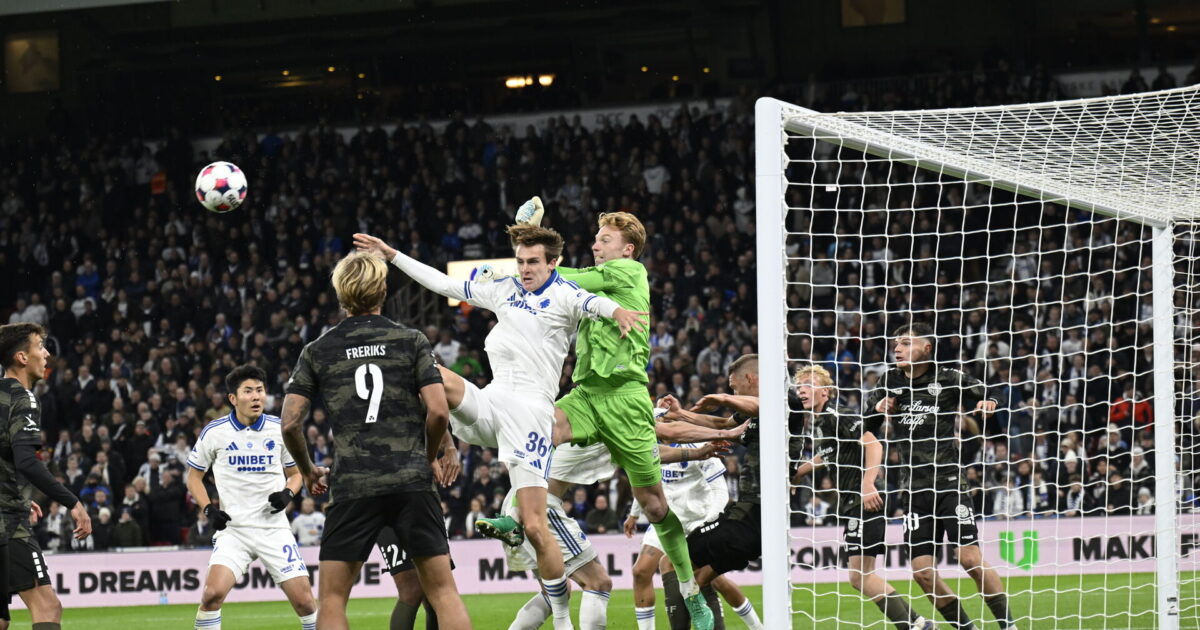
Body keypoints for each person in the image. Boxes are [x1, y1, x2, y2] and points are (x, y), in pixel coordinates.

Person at [353, 224, 646, 630]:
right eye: (521, 261)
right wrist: (392, 255)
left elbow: (596, 304)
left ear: (553, 263)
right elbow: (445, 285)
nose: (525, 269)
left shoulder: (565, 293)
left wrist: (619, 312)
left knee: (534, 525)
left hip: (531, 417)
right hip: (492, 403)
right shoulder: (505, 289)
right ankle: (429, 449)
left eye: (533, 263)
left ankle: (561, 619)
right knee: (431, 373)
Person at [483, 201, 716, 630]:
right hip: (588, 394)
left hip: (626, 399)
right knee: (540, 428)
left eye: (604, 239)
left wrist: (532, 243)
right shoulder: (588, 292)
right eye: (595, 239)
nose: (595, 244)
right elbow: (549, 287)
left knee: (653, 504)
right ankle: (515, 517)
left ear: (628, 249)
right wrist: (528, 249)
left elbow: (558, 276)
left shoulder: (631, 273)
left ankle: (691, 592)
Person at [281, 252, 470, 630]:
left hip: (352, 485)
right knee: (443, 592)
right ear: (383, 290)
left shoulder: (318, 350)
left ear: (340, 294)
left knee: (333, 599)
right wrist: (427, 455)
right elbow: (437, 412)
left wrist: (308, 471)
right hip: (412, 482)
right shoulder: (410, 340)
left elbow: (289, 423)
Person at [865, 323, 1015, 630]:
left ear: (927, 349)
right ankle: (967, 628)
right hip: (913, 491)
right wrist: (878, 408)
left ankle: (1007, 626)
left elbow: (994, 390)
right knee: (922, 573)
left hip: (949, 484)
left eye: (906, 343)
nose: (897, 349)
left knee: (969, 559)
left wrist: (991, 402)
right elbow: (868, 426)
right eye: (896, 344)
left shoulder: (948, 377)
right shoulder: (890, 380)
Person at [507, 441, 728, 630]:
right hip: (540, 504)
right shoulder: (610, 418)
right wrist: (709, 441)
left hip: (517, 502)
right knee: (598, 583)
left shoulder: (563, 417)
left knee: (554, 592)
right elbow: (652, 447)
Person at [792, 364, 934, 630]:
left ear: (826, 391)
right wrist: (801, 471)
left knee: (860, 577)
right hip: (854, 503)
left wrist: (868, 484)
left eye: (809, 384)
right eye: (799, 386)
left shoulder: (839, 415)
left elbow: (873, 444)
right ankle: (919, 624)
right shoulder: (821, 422)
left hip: (864, 500)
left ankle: (915, 626)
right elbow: (830, 453)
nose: (802, 390)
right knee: (862, 576)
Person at [185, 365, 317, 630]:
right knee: (211, 596)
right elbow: (193, 477)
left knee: (304, 602)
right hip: (234, 530)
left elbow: (297, 474)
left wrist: (287, 494)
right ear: (233, 399)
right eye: (248, 391)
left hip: (273, 528)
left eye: (260, 390)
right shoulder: (215, 432)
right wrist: (209, 509)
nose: (257, 396)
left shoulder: (279, 429)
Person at [0, 322, 92, 630]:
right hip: (7, 523)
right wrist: (71, 501)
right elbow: (27, 462)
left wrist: (18, 496)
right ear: (22, 357)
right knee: (48, 607)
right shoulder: (22, 399)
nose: (47, 353)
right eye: (41, 346)